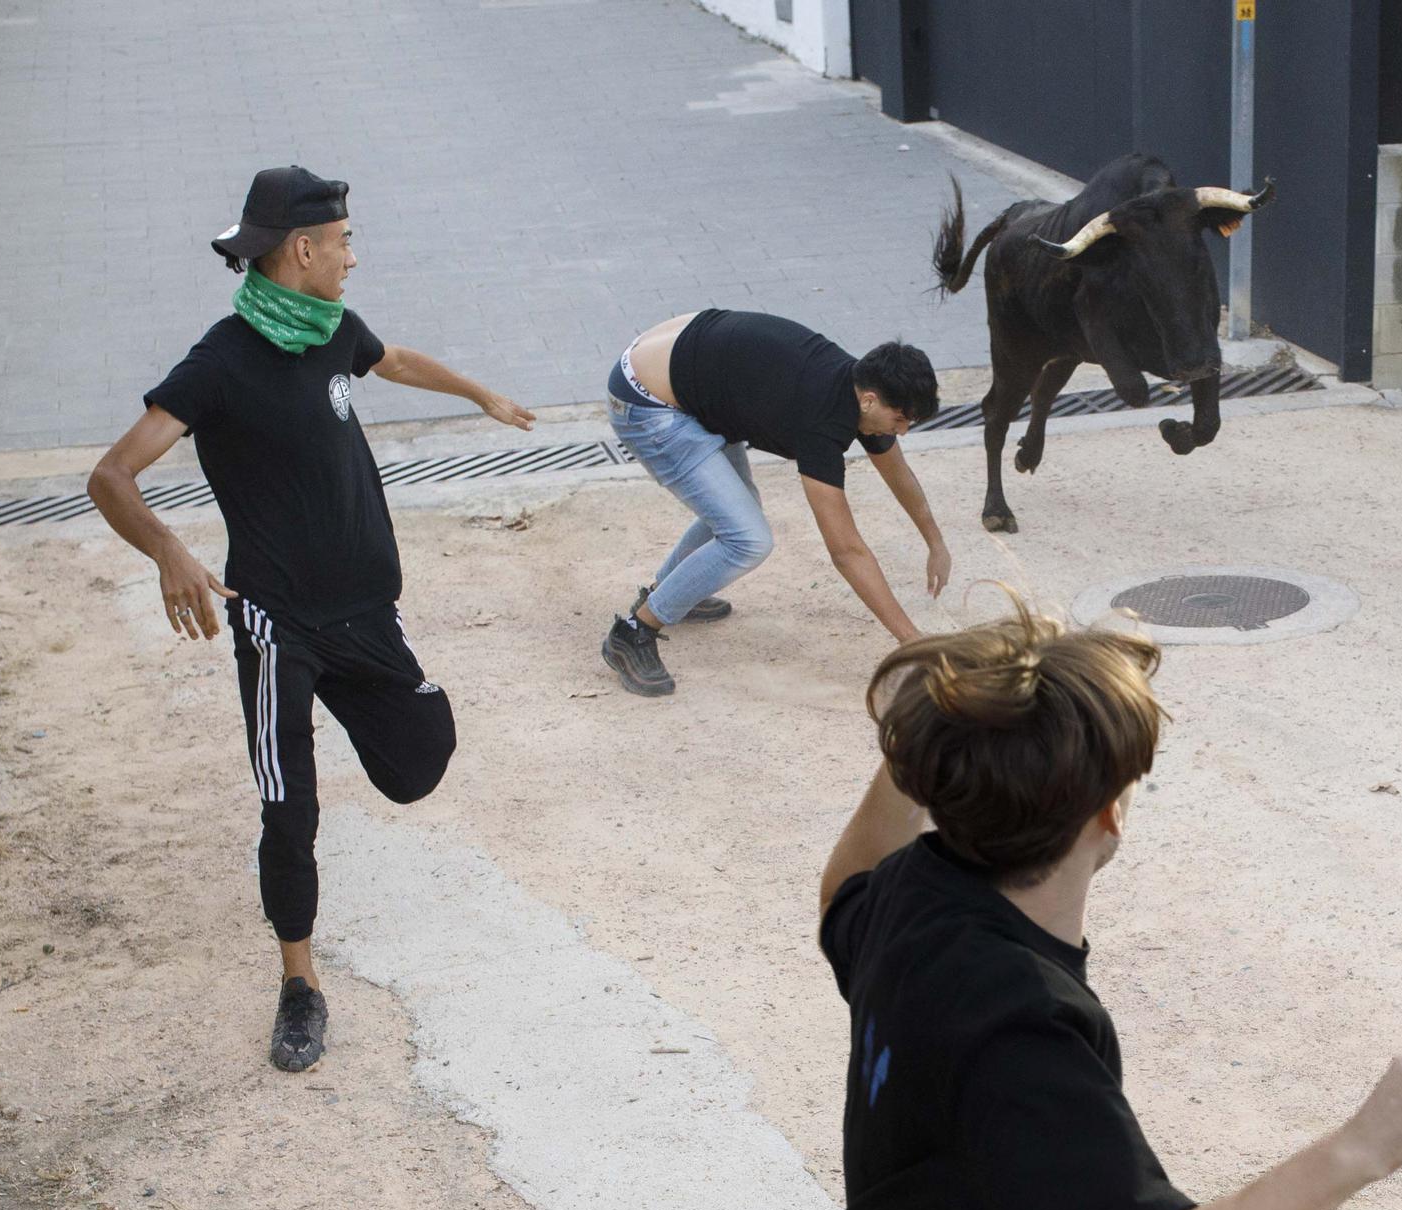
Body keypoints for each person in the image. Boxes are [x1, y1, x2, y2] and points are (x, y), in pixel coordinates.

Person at [814, 595, 1402, 1210]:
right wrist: (1359, 1148)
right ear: (1109, 815)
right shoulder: (1020, 1030)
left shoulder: (912, 893)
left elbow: (844, 890)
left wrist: (946, 727)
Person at [88, 165, 534, 1073]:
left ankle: (341, 702)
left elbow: (395, 360)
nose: (352, 258)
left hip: (367, 609)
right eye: (343, 244)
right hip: (276, 624)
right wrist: (170, 551)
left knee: (420, 761)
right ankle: (300, 983)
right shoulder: (219, 362)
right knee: (290, 806)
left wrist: (479, 392)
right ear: (303, 249)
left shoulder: (333, 331)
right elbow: (111, 474)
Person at [597, 309, 952, 697]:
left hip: (684, 372)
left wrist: (934, 541)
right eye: (900, 420)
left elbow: (897, 472)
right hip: (645, 401)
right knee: (748, 538)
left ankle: (671, 591)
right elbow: (847, 551)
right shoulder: (821, 419)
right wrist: (911, 640)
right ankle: (634, 632)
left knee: (739, 509)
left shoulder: (860, 388)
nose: (900, 431)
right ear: (869, 400)